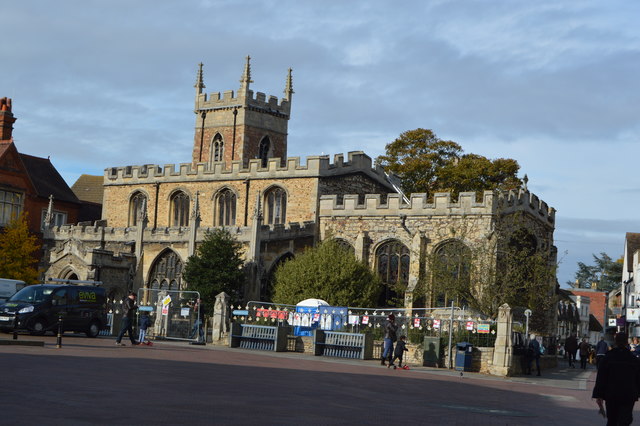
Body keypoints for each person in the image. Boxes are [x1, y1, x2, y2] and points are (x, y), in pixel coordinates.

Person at [593, 332, 640, 426]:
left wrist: (598, 395)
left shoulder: (607, 358)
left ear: (615, 342)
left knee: (612, 420)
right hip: (628, 395)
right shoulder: (633, 359)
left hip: (611, 394)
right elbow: (638, 379)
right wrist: (637, 393)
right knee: (625, 420)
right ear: (627, 342)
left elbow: (601, 378)